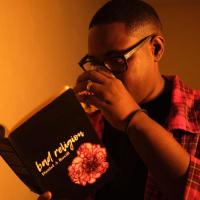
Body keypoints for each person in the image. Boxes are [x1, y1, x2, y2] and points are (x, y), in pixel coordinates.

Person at [38, 0, 200, 199]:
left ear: (156, 49)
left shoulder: (196, 113)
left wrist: (132, 117)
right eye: (96, 64)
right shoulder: (92, 120)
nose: (105, 76)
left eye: (116, 60)